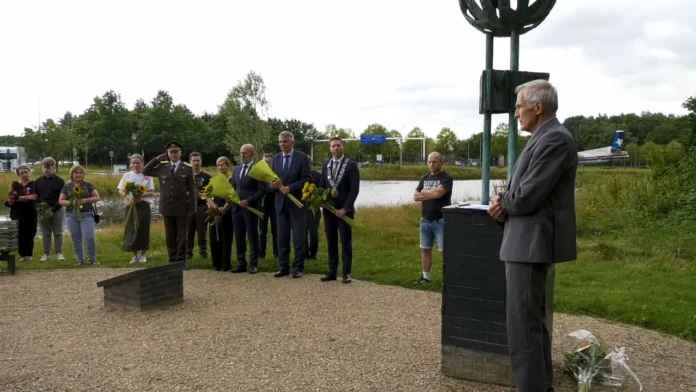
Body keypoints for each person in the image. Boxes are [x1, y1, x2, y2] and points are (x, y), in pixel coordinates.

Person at [488, 79, 578, 392]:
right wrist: (506, 205)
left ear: (537, 107)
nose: (515, 114)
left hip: (529, 246)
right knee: (532, 326)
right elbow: (525, 193)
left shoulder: (554, 138)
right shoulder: (545, 136)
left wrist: (502, 202)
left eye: (518, 107)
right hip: (525, 243)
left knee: (523, 329)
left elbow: (528, 195)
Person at [143, 141, 197, 269]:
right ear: (167, 153)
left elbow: (192, 190)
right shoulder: (162, 167)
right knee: (170, 235)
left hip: (182, 206)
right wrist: (156, 159)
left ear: (180, 153)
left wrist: (192, 208)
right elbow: (146, 170)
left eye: (175, 152)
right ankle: (172, 260)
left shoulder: (187, 168)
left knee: (183, 235)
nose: (173, 154)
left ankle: (181, 261)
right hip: (167, 206)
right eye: (171, 152)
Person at [271, 130, 311, 278]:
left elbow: (307, 179)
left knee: (298, 238)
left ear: (292, 142)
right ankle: (283, 267)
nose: (282, 144)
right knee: (282, 237)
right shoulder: (275, 158)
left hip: (297, 204)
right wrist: (273, 185)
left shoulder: (302, 158)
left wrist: (291, 188)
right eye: (280, 142)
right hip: (281, 203)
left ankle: (298, 267)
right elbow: (272, 178)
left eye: (285, 142)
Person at [319, 138, 360, 283]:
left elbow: (354, 190)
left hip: (345, 211)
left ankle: (346, 273)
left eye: (338, 145)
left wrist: (345, 208)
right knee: (331, 241)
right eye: (333, 146)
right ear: (330, 149)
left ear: (343, 147)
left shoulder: (351, 165)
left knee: (345, 242)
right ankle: (332, 271)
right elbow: (321, 186)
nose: (336, 148)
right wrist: (321, 201)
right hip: (329, 211)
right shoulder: (326, 164)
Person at [413, 152, 453, 284]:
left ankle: (449, 278)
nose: (431, 164)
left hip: (441, 220)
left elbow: (438, 194)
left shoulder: (446, 178)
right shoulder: (424, 178)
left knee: (445, 251)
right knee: (425, 249)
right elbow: (415, 197)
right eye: (429, 162)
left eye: (434, 161)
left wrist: (425, 193)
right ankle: (426, 277)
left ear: (441, 162)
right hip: (425, 220)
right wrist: (429, 193)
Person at [231, 144, 266, 274]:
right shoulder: (236, 169)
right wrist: (231, 197)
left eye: (245, 152)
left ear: (252, 154)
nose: (242, 155)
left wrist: (249, 200)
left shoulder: (258, 169)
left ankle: (253, 264)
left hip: (250, 208)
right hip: (237, 208)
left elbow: (262, 190)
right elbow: (233, 187)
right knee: (239, 236)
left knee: (252, 236)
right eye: (241, 152)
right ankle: (241, 263)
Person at [58, 165, 101, 265]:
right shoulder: (67, 186)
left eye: (80, 173)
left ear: (83, 174)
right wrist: (71, 203)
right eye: (76, 173)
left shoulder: (88, 185)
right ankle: (80, 260)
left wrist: (86, 200)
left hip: (86, 214)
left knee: (89, 237)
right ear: (72, 174)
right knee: (76, 239)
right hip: (71, 215)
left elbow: (97, 197)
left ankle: (92, 260)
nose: (78, 175)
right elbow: (61, 201)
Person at [117, 154, 155, 264]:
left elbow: (151, 191)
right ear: (130, 164)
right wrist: (129, 198)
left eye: (138, 162)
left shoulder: (147, 175)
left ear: (142, 163)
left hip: (143, 205)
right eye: (133, 163)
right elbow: (121, 190)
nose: (136, 165)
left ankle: (143, 254)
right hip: (131, 205)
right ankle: (134, 255)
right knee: (131, 229)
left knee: (143, 229)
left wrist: (140, 196)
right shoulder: (127, 175)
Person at [33, 157, 66, 262]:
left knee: (58, 232)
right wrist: (39, 208)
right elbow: (35, 197)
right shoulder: (37, 181)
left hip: (57, 209)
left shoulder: (60, 181)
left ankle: (59, 253)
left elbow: (62, 198)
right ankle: (46, 254)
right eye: (44, 167)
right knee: (46, 233)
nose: (46, 169)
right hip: (42, 210)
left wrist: (53, 210)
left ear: (53, 167)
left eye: (48, 167)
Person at [207, 157, 234, 271]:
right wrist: (214, 207)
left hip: (228, 210)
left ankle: (225, 263)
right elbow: (207, 195)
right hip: (215, 210)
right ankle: (216, 263)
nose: (220, 167)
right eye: (218, 165)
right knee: (214, 238)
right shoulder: (214, 179)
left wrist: (224, 209)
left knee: (226, 239)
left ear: (228, 166)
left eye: (222, 165)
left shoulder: (232, 179)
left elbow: (233, 196)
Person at [6, 165, 38, 261]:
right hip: (17, 212)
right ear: (19, 175)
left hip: (31, 212)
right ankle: (22, 255)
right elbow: (11, 197)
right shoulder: (15, 184)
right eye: (21, 173)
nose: (24, 174)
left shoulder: (35, 184)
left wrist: (19, 197)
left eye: (26, 172)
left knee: (30, 232)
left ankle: (29, 254)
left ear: (29, 172)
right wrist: (26, 197)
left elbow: (36, 196)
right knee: (19, 233)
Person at [186, 152, 211, 261]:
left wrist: (202, 195)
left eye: (198, 160)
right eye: (194, 160)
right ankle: (188, 253)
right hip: (188, 208)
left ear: (201, 161)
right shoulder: (185, 176)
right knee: (188, 231)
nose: (196, 163)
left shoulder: (207, 177)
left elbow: (211, 193)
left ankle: (203, 252)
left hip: (202, 206)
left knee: (202, 231)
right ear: (190, 162)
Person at [258, 153, 278, 259]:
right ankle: (261, 254)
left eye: (268, 162)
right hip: (262, 207)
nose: (266, 164)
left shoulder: (277, 174)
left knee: (276, 231)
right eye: (264, 162)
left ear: (272, 162)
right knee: (262, 232)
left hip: (274, 206)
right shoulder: (260, 175)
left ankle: (276, 254)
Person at [305, 159, 322, 260]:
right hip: (302, 207)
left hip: (314, 207)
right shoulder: (301, 175)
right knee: (303, 232)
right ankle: (305, 253)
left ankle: (313, 253)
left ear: (311, 164)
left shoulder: (317, 175)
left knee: (313, 232)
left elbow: (321, 189)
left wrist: (315, 197)